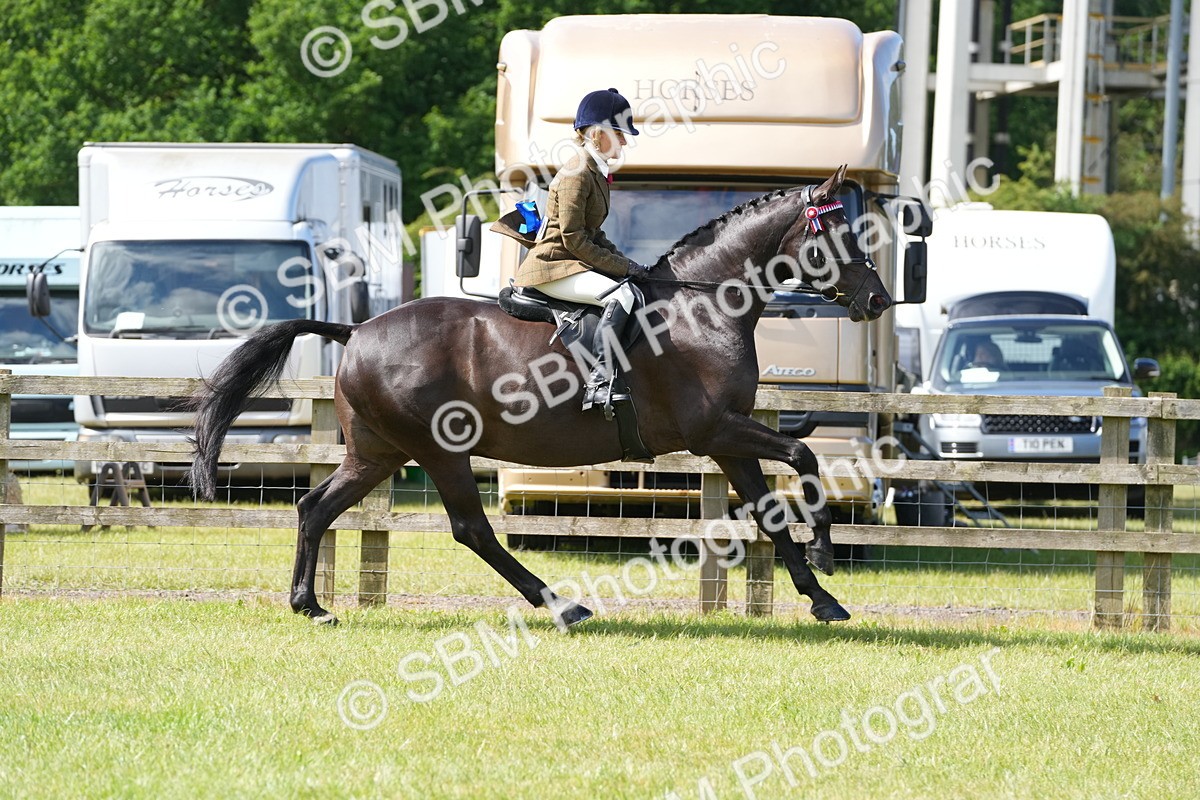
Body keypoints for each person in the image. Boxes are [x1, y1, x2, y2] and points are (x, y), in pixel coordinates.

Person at [513, 88, 650, 412]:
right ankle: (600, 382)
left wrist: (632, 266)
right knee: (621, 296)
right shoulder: (577, 172)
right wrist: (622, 271)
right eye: (620, 134)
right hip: (552, 265)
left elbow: (594, 234)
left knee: (631, 285)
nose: (625, 142)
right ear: (598, 134)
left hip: (570, 261)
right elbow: (573, 238)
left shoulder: (594, 171)